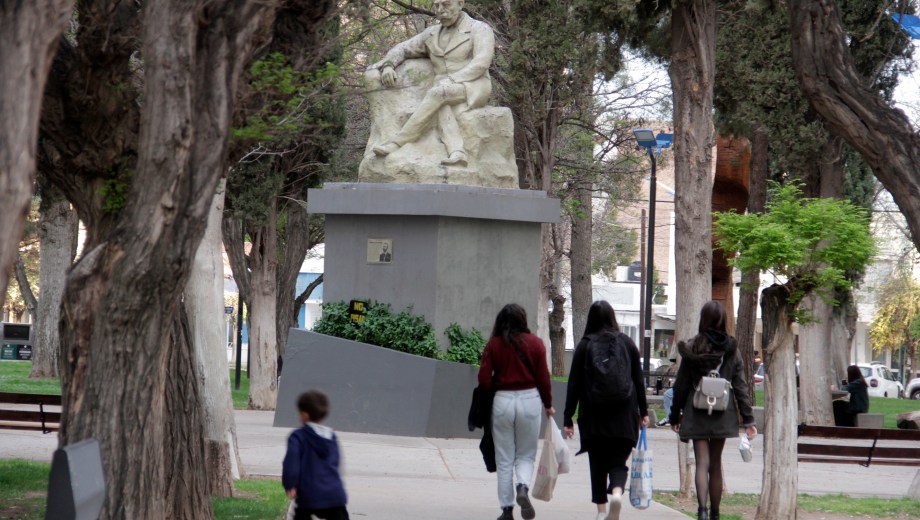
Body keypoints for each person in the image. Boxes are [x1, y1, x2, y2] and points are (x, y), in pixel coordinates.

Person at [367, 0, 494, 167]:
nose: (440, 10)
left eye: (446, 4)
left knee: (438, 93)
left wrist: (452, 80)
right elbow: (403, 48)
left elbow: (481, 62)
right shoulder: (431, 34)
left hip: (473, 85)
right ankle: (457, 152)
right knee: (441, 101)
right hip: (442, 90)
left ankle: (398, 142)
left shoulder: (479, 29)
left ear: (460, 4)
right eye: (436, 6)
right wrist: (389, 65)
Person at [669, 301, 757, 520]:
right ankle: (716, 513)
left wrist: (674, 415)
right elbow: (740, 386)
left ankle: (702, 511)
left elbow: (680, 386)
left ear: (703, 319)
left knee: (702, 461)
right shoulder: (732, 350)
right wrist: (748, 419)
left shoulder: (692, 347)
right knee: (716, 463)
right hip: (722, 412)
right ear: (723, 320)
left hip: (696, 410)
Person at [563, 300, 649, 520]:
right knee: (618, 462)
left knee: (597, 463)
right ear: (612, 317)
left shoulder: (584, 345)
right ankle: (617, 493)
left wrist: (568, 418)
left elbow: (574, 384)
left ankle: (602, 512)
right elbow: (639, 381)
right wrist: (644, 412)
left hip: (594, 417)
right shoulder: (627, 343)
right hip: (624, 415)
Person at [478, 303, 554, 520]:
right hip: (530, 400)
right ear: (523, 320)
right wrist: (548, 404)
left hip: (502, 401)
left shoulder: (494, 344)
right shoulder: (536, 344)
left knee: (504, 459)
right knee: (526, 455)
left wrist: (495, 389)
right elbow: (543, 379)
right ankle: (522, 486)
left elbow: (483, 379)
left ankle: (507, 509)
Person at [282, 390, 349, 520]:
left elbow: (291, 463)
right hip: (334, 495)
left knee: (301, 514)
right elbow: (336, 463)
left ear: (305, 415)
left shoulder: (298, 437)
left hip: (309, 494)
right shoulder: (332, 437)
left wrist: (290, 484)